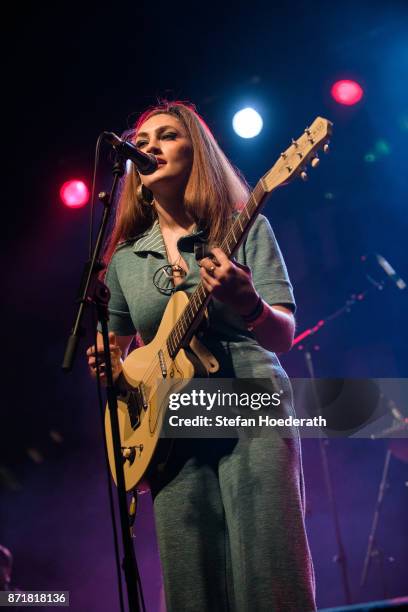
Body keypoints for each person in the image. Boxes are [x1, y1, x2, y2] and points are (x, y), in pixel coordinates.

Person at [87, 101, 316, 612]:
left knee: (268, 572)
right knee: (192, 585)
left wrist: (248, 303)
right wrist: (109, 363)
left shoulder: (244, 227)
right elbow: (119, 351)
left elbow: (283, 336)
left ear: (198, 153)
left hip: (250, 403)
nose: (150, 148)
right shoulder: (124, 259)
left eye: (167, 136)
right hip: (169, 428)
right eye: (142, 143)